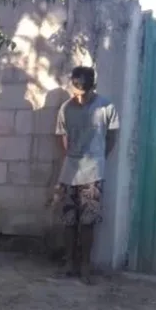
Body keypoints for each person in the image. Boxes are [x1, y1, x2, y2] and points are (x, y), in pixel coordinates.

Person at [51, 65, 120, 284]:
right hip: (69, 172)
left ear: (93, 88)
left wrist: (98, 158)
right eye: (76, 94)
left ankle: (86, 266)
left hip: (93, 173)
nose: (79, 99)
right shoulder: (66, 108)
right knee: (68, 221)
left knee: (88, 222)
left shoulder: (106, 107)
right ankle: (70, 264)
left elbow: (112, 136)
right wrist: (70, 158)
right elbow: (61, 136)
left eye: (84, 94)